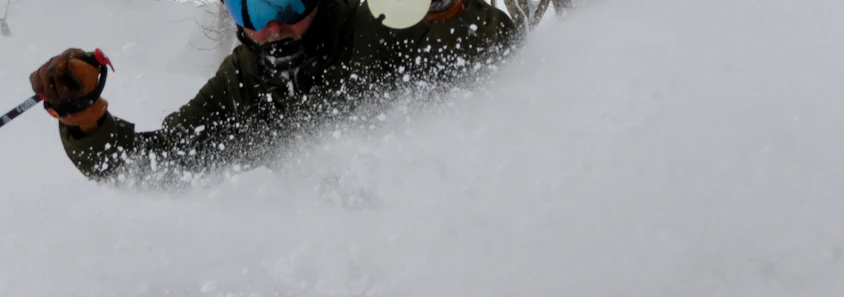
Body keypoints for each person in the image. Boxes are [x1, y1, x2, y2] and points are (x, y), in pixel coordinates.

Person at [30, 0, 517, 185]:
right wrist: (84, 117)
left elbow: (497, 47)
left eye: (286, 4)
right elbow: (151, 168)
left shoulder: (373, 24)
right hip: (312, 264)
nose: (273, 27)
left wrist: (443, 10)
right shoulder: (241, 81)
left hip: (429, 225)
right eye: (253, 12)